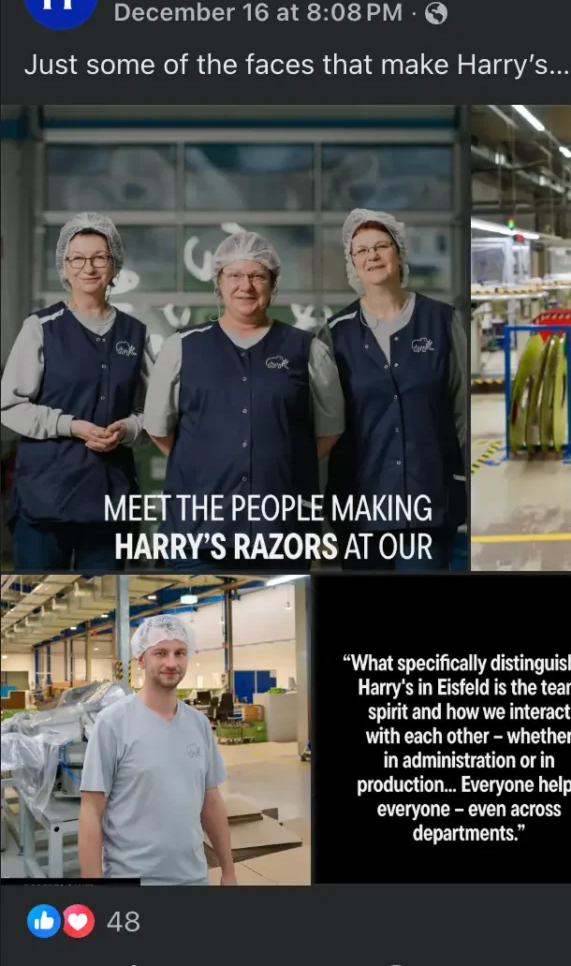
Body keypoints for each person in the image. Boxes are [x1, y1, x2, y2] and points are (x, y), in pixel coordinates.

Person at [143, 231, 344, 570]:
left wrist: (280, 461)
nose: (245, 286)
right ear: (218, 283)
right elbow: (158, 427)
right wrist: (205, 463)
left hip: (281, 533)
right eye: (234, 275)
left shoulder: (307, 350)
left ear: (273, 284)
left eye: (257, 276)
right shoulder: (182, 347)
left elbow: (330, 429)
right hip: (197, 534)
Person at [0, 213, 154, 571]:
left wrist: (128, 429)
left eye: (99, 257)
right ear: (64, 267)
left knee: (108, 588)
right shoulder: (41, 327)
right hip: (45, 498)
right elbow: (9, 405)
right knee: (36, 591)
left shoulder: (135, 334)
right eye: (77, 258)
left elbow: (156, 412)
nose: (89, 267)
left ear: (114, 264)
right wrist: (70, 425)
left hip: (109, 500)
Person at [322, 209, 467, 571]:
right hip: (359, 506)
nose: (372, 256)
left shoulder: (442, 320)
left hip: (428, 501)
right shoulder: (333, 334)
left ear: (398, 252)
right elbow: (325, 427)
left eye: (381, 246)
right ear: (352, 263)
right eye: (361, 250)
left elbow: (461, 410)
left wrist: (467, 484)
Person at [78, 615, 237, 885]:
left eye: (180, 653)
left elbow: (211, 803)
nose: (172, 663)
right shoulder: (113, 724)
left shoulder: (198, 724)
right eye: (160, 653)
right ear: (141, 659)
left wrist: (228, 871)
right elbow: (92, 811)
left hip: (193, 878)